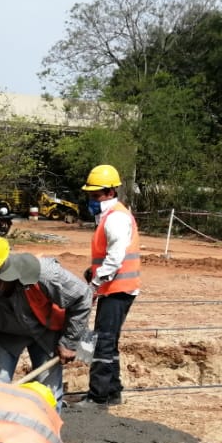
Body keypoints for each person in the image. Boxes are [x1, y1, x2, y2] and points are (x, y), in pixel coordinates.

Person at [0, 231, 91, 408]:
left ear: (3, 274)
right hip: (4, 336)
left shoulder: (45, 274)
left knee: (48, 395)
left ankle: (45, 432)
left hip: (45, 331)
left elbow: (82, 296)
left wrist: (69, 341)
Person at [82, 164, 140, 408]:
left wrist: (95, 283)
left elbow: (115, 259)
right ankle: (113, 391)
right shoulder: (108, 215)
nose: (92, 200)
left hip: (117, 289)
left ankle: (98, 397)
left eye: (95, 196)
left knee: (103, 342)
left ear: (109, 192)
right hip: (114, 288)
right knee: (110, 342)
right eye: (90, 196)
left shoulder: (115, 217)